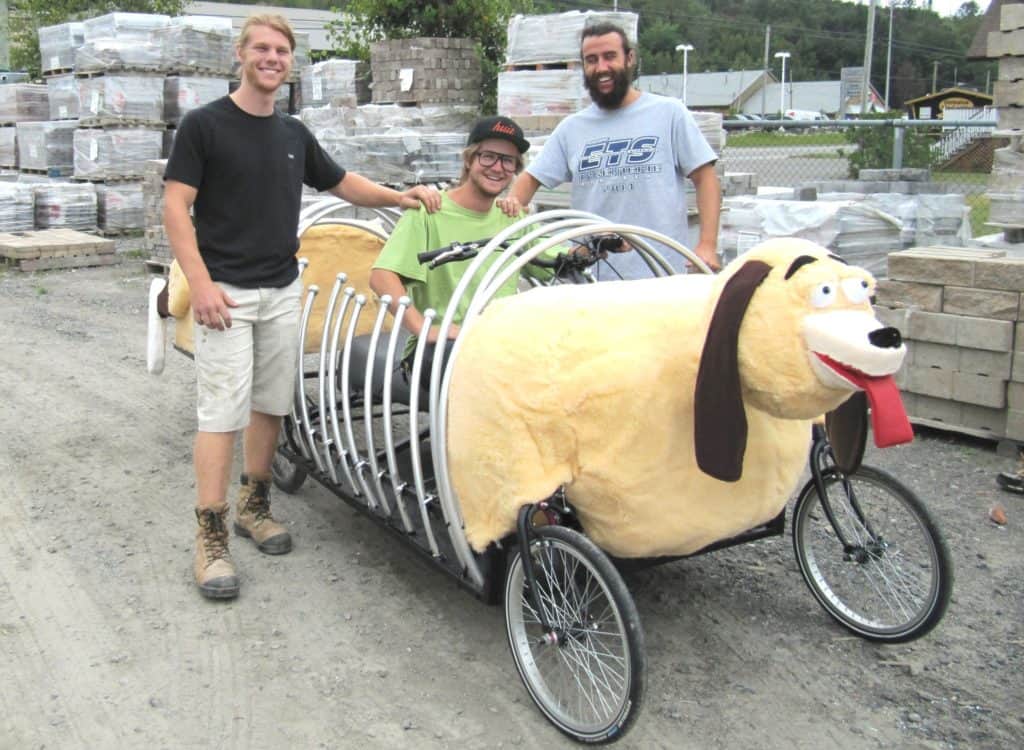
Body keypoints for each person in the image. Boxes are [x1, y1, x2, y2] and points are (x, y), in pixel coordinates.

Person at [164, 13, 440, 600]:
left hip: (282, 288)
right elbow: (175, 208)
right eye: (261, 48)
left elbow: (342, 184)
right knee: (221, 414)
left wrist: (401, 196)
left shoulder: (292, 134)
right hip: (227, 298)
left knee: (269, 405)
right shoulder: (204, 126)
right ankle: (209, 539)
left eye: (282, 51)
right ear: (241, 54)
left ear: (291, 63)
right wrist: (202, 284)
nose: (272, 58)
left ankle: (254, 505)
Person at [370, 116, 613, 390]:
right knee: (499, 373)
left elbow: (556, 259)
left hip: (499, 344)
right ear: (469, 160)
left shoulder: (511, 218)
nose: (498, 168)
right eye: (488, 157)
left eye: (508, 161)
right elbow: (382, 276)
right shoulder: (429, 211)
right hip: (440, 349)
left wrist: (598, 244)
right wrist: (425, 328)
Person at [500, 21, 722, 278]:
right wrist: (509, 225)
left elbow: (705, 178)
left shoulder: (668, 113)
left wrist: (708, 245)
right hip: (594, 278)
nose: (601, 67)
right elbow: (528, 181)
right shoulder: (572, 128)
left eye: (609, 57)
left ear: (629, 59)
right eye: (591, 60)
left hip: (661, 274)